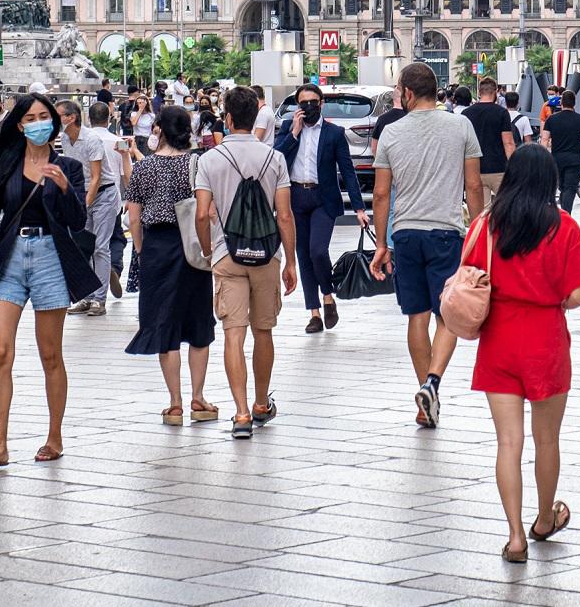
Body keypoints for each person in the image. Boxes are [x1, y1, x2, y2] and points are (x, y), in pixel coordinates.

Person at [469, 144, 580, 563]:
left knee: (508, 441)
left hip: (499, 339)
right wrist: (555, 297)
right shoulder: (564, 226)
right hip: (546, 342)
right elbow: (577, 294)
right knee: (547, 440)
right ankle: (544, 517)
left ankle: (515, 535)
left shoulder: (488, 225)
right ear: (550, 181)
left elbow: (469, 276)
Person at [0, 95, 99, 466]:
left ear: (55, 124)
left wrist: (61, 188)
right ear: (20, 125)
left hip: (50, 257)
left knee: (50, 354)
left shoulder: (69, 167)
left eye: (45, 116)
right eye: (31, 117)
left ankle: (54, 437)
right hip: (11, 257)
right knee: (0, 351)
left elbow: (77, 220)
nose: (39, 122)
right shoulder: (7, 165)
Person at [369, 62, 483, 429]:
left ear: (407, 93)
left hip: (404, 234)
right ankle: (433, 383)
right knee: (445, 314)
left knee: (416, 316)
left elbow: (382, 193)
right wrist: (479, 231)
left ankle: (424, 398)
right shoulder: (461, 125)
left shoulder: (390, 133)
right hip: (446, 232)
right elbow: (474, 186)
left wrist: (382, 244)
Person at [194, 86, 297, 440]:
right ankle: (260, 403)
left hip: (227, 254)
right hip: (267, 255)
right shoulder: (276, 159)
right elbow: (284, 215)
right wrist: (290, 262)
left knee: (233, 334)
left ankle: (239, 414)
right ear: (256, 117)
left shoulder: (208, 160)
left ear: (229, 118)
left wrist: (209, 252)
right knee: (263, 331)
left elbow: (203, 213)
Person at [126, 104, 217, 425]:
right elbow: (208, 209)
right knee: (198, 322)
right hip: (193, 246)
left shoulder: (144, 168)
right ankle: (198, 397)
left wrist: (141, 250)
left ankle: (175, 403)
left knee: (164, 322)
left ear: (158, 129)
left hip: (156, 247)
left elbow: (134, 217)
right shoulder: (198, 163)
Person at [274, 82, 371, 334]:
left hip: (323, 198)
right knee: (303, 256)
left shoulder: (334, 133)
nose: (308, 108)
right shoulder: (288, 128)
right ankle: (314, 312)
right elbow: (276, 158)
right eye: (302, 103)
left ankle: (328, 295)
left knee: (318, 251)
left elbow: (347, 171)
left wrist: (360, 208)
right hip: (296, 196)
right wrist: (293, 133)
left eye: (312, 103)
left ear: (321, 104)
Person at [60, 99, 126, 315]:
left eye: (59, 115)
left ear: (72, 117)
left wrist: (84, 205)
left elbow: (97, 177)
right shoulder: (65, 139)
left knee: (100, 246)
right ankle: (86, 296)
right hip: (83, 195)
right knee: (83, 247)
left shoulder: (91, 139)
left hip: (103, 195)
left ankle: (99, 299)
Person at [461, 78, 518, 205]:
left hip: (475, 171)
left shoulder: (466, 114)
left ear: (479, 92)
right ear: (495, 92)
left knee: (482, 213)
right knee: (506, 208)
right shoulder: (501, 113)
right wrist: (515, 166)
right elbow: (508, 143)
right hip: (499, 168)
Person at [541, 95, 580, 214]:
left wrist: (544, 157)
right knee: (570, 188)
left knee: (561, 187)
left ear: (562, 103)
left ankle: (558, 213)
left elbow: (544, 139)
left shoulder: (551, 119)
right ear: (574, 104)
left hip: (556, 159)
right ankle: (566, 214)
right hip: (574, 159)